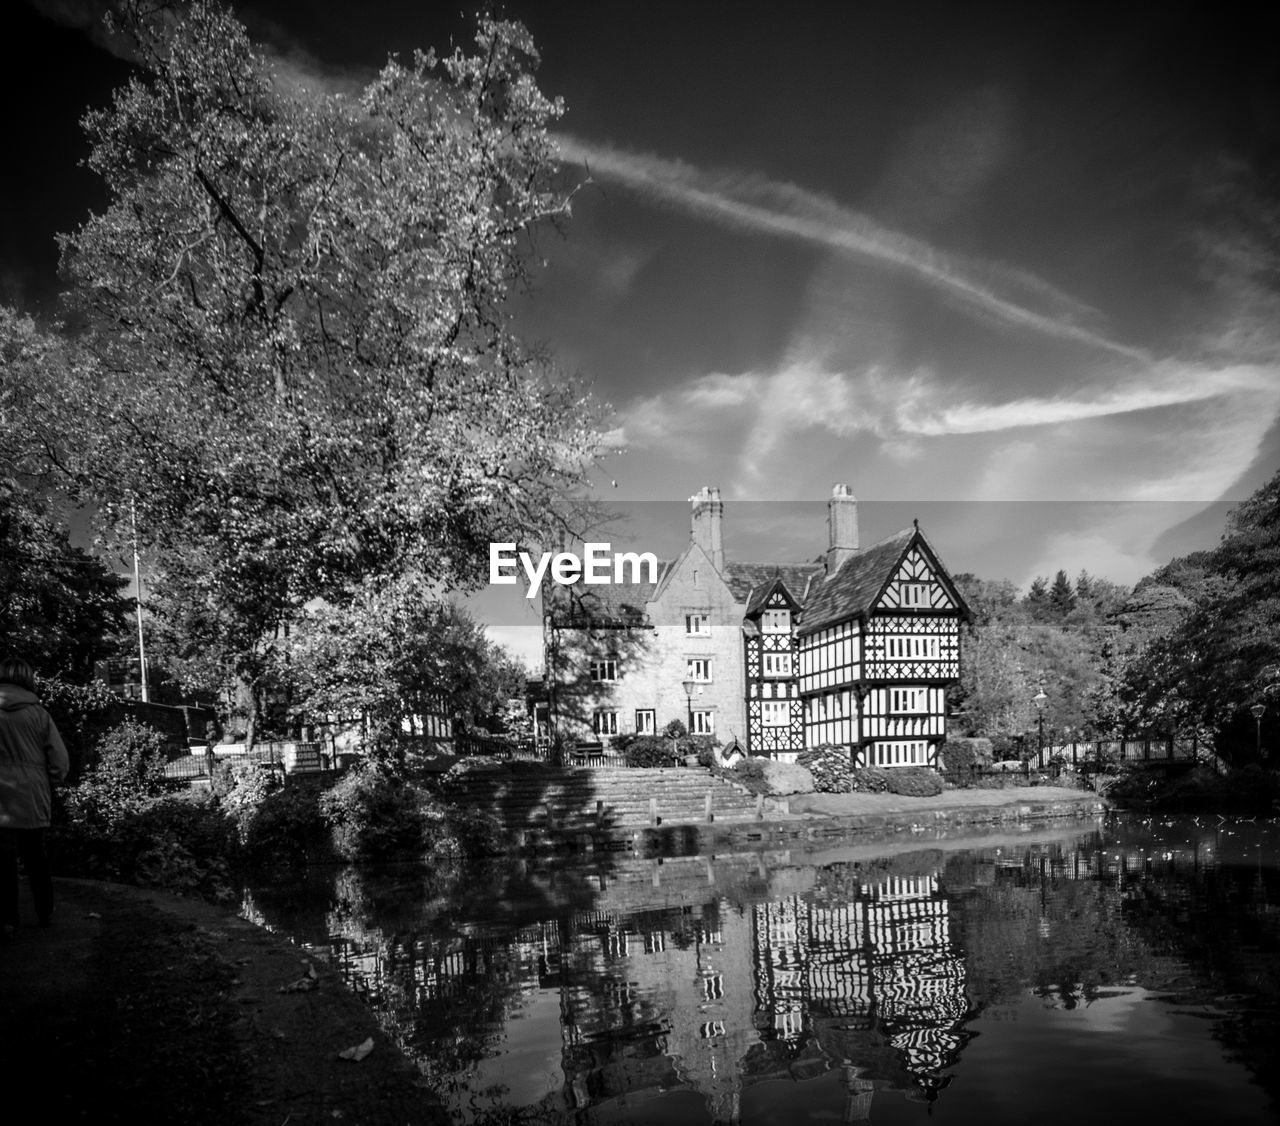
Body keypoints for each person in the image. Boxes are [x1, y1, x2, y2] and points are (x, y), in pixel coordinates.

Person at [0, 657, 70, 941]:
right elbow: (59, 760)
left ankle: (7, 919)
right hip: (31, 793)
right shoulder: (39, 714)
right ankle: (44, 911)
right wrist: (51, 778)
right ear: (28, 679)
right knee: (35, 856)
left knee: (2, 860)